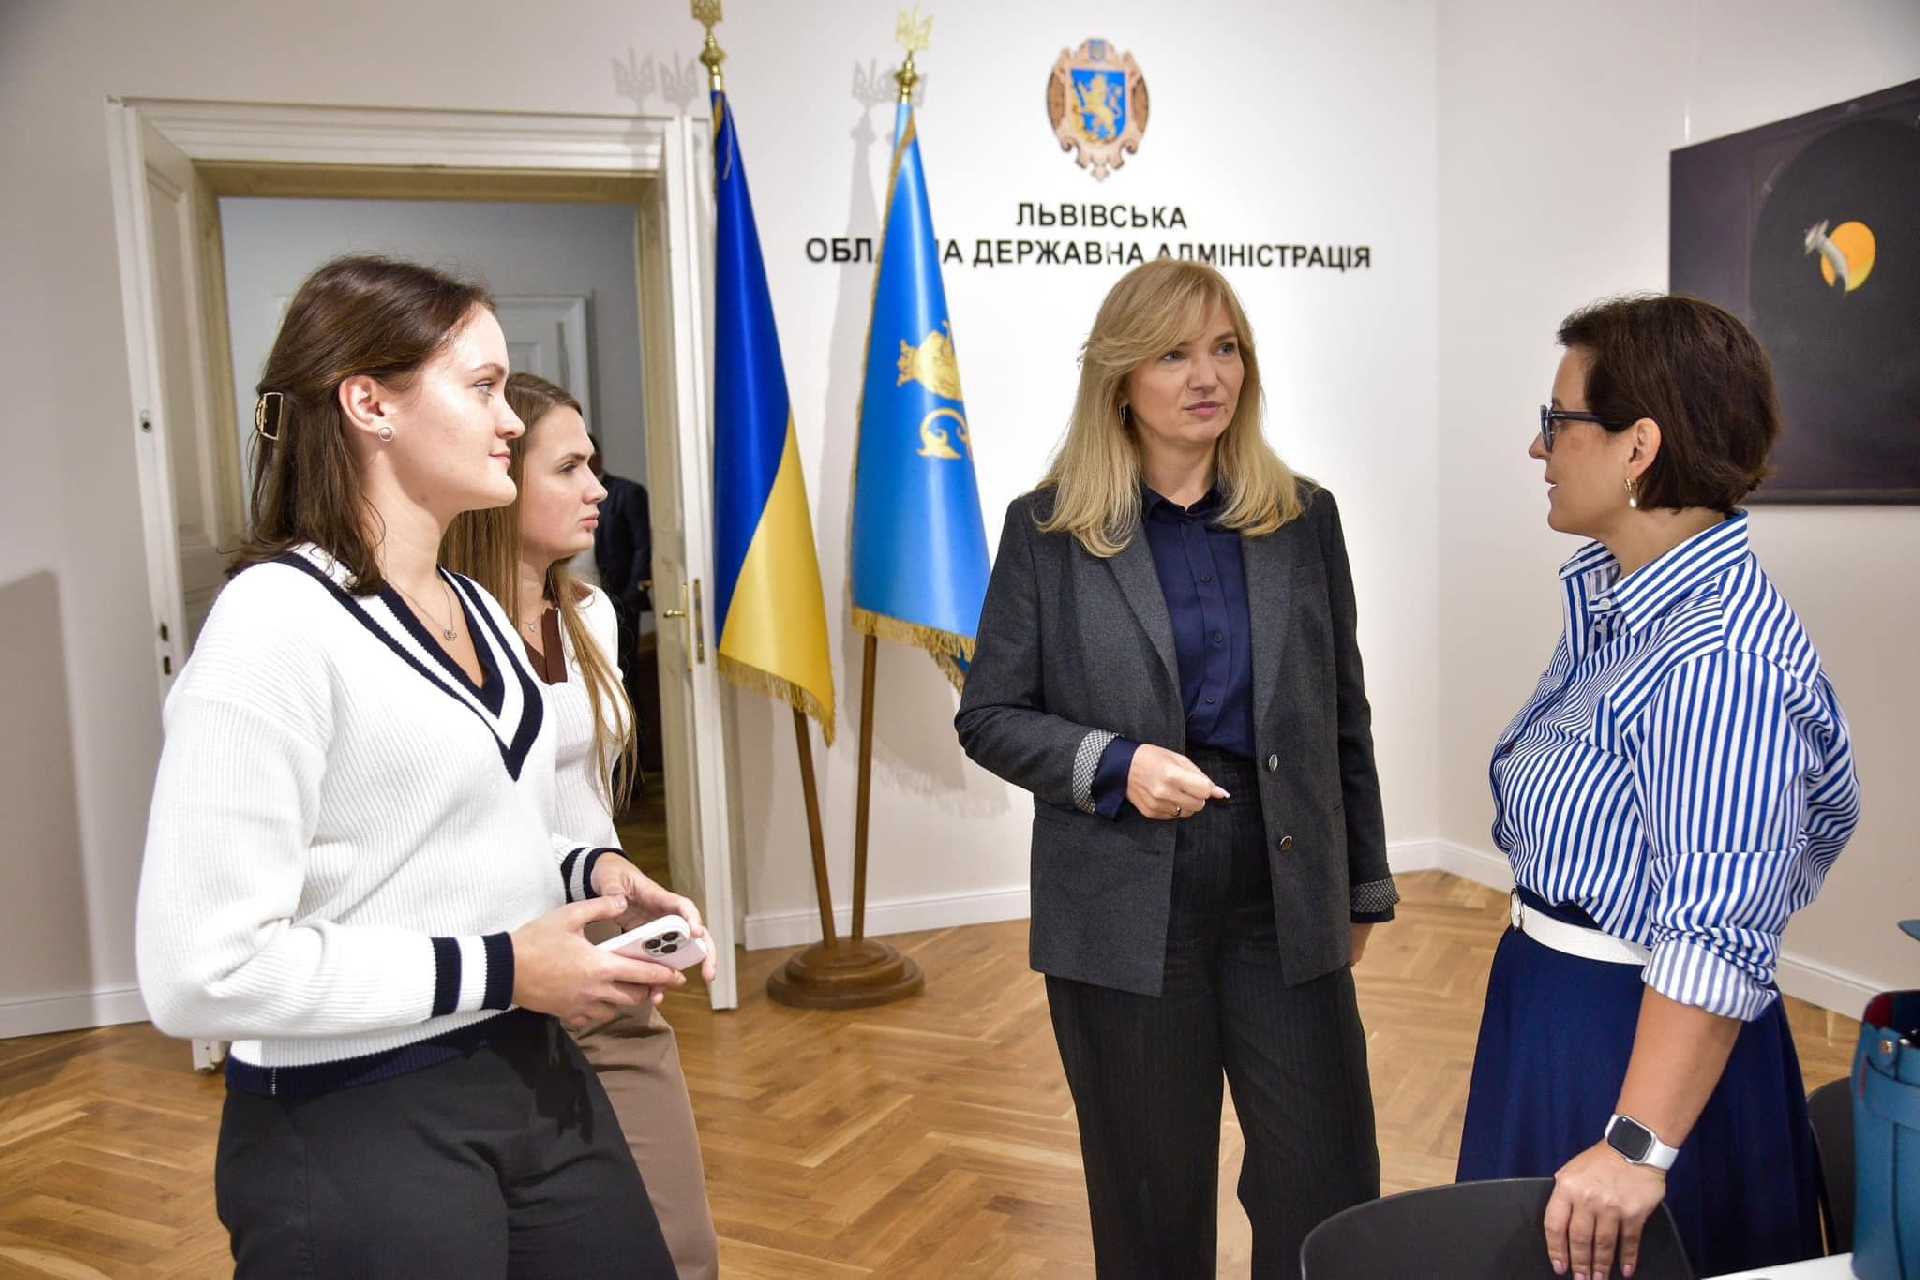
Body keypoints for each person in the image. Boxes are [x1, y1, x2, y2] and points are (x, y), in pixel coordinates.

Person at [134, 255, 681, 1277]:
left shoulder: (479, 610)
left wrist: (591, 872)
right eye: (482, 387)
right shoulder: (272, 624)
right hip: (349, 1111)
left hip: (532, 1068)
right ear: (369, 403)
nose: (510, 420)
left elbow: (460, 830)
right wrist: (506, 966)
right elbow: (199, 971)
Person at [955, 259, 1395, 1279]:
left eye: (1226, 348)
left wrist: (1363, 884)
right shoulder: (1048, 530)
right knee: (1149, 1191)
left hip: (1282, 878)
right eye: (1174, 354)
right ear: (1120, 380)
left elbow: (1343, 713)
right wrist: (1115, 764)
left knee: (1325, 1177)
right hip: (1122, 893)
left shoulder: (1304, 517)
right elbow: (990, 716)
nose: (1209, 376)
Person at [1458, 294, 1861, 1279]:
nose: (1538, 447)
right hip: (1558, 1013)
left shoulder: (1718, 655)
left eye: (1557, 421)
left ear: (1638, 446)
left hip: (1635, 1051)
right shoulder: (1620, 608)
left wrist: (1639, 1144)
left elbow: (1718, 930)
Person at [444, 372, 720, 1279]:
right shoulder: (432, 634)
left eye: (593, 464)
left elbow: (580, 795)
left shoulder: (592, 612)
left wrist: (614, 876)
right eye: (568, 467)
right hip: (491, 978)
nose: (600, 487)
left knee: (679, 1248)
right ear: (500, 479)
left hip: (602, 949)